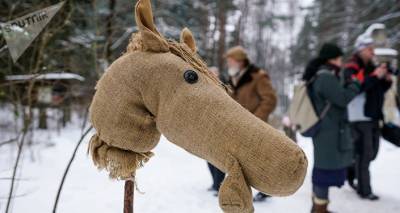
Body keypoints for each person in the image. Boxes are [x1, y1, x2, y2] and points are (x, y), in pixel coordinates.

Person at [303, 43, 360, 213]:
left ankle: (318, 206)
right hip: (328, 132)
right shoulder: (325, 77)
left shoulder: (321, 74)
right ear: (332, 59)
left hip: (325, 130)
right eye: (339, 58)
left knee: (322, 168)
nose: (341, 62)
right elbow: (342, 99)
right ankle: (320, 209)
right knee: (324, 171)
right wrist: (355, 85)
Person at [224, 46, 277, 202]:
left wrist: (255, 120)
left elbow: (270, 100)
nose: (229, 63)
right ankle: (241, 190)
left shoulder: (259, 76)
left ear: (240, 61)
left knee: (259, 159)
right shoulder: (232, 76)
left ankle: (266, 190)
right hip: (237, 125)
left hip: (256, 127)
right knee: (240, 160)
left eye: (231, 60)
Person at [344, 36, 392, 200]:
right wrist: (374, 76)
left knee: (371, 153)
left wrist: (386, 80)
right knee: (365, 153)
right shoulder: (352, 66)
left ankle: (350, 169)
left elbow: (377, 89)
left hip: (373, 115)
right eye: (369, 49)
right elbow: (356, 88)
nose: (373, 52)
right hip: (359, 116)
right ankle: (364, 190)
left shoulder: (372, 66)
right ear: (361, 49)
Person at [206, 66, 225, 195]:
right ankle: (215, 183)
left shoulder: (222, 87)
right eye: (210, 73)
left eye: (214, 73)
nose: (211, 75)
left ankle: (220, 186)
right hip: (207, 127)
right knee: (208, 157)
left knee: (218, 159)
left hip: (220, 127)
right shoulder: (205, 86)